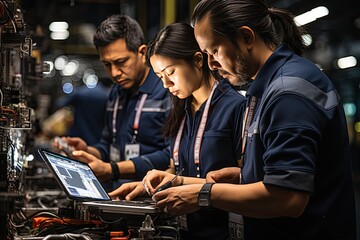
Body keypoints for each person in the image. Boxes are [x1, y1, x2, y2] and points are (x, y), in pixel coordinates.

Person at [120, 0, 357, 239]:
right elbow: (282, 176)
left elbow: (288, 198)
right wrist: (242, 177)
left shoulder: (287, 92)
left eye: (214, 51)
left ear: (246, 37)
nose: (211, 64)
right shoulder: (265, 89)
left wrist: (203, 194)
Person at [109, 22, 246, 239]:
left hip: (222, 232)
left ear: (198, 60)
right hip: (185, 231)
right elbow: (177, 168)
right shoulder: (182, 108)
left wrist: (181, 183)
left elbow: (245, 181)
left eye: (170, 72)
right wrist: (151, 186)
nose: (166, 83)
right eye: (159, 76)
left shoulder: (235, 107)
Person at [54, 15, 171, 191]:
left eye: (121, 62)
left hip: (154, 196)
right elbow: (110, 145)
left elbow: (171, 155)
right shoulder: (116, 93)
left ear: (142, 52)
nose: (115, 73)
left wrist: (113, 170)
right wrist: (89, 151)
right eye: (107, 65)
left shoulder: (166, 90)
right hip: (119, 194)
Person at [54, 78, 112, 145]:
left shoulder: (82, 91)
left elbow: (60, 103)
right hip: (97, 138)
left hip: (77, 135)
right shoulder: (106, 96)